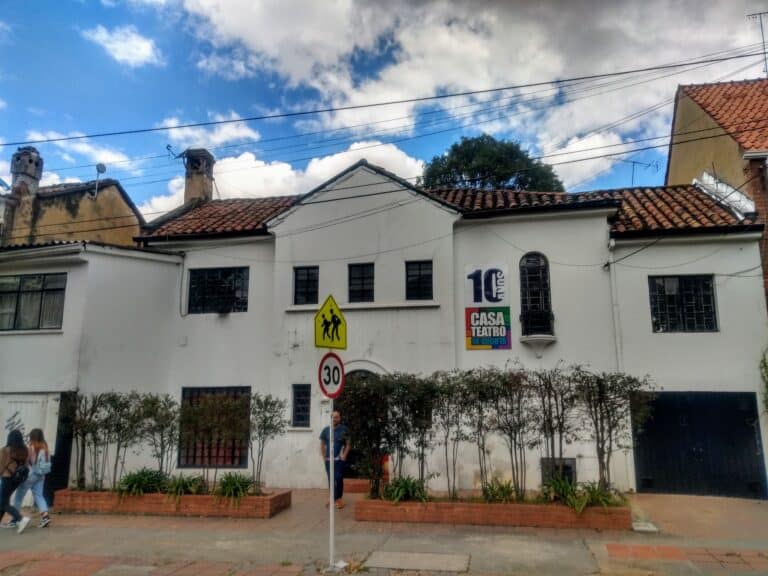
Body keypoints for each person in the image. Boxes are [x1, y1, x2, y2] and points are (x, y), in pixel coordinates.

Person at [13, 429, 51, 528]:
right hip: (42, 475)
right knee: (39, 495)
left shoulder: (32, 447)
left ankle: (15, 519)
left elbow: (27, 461)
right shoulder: (45, 447)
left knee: (19, 495)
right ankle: (45, 516)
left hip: (32, 475)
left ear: (33, 437)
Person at [0, 430, 31, 533]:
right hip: (17, 479)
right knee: (4, 500)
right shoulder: (25, 450)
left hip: (7, 477)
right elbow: (26, 465)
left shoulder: (5, 450)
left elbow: (1, 466)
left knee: (3, 502)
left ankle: (21, 519)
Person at [319, 410, 350, 509]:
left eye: (337, 417)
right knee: (330, 479)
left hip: (339, 460)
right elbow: (322, 444)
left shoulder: (344, 429)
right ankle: (332, 499)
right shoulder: (326, 430)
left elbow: (348, 444)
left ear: (340, 418)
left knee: (338, 478)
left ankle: (339, 499)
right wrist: (324, 457)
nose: (335, 419)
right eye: (333, 417)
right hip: (328, 460)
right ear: (331, 418)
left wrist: (344, 455)